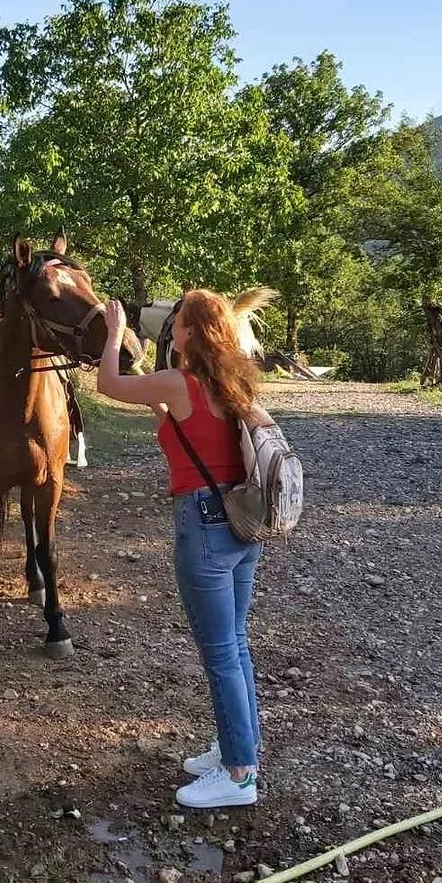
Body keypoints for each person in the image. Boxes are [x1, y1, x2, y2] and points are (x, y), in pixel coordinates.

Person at [98, 289, 277, 809]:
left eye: (176, 323)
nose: (170, 330)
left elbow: (109, 382)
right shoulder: (233, 383)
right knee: (235, 643)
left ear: (192, 332)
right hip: (244, 527)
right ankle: (236, 746)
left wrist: (113, 336)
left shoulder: (181, 381)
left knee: (220, 651)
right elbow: (229, 435)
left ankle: (239, 775)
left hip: (203, 526)